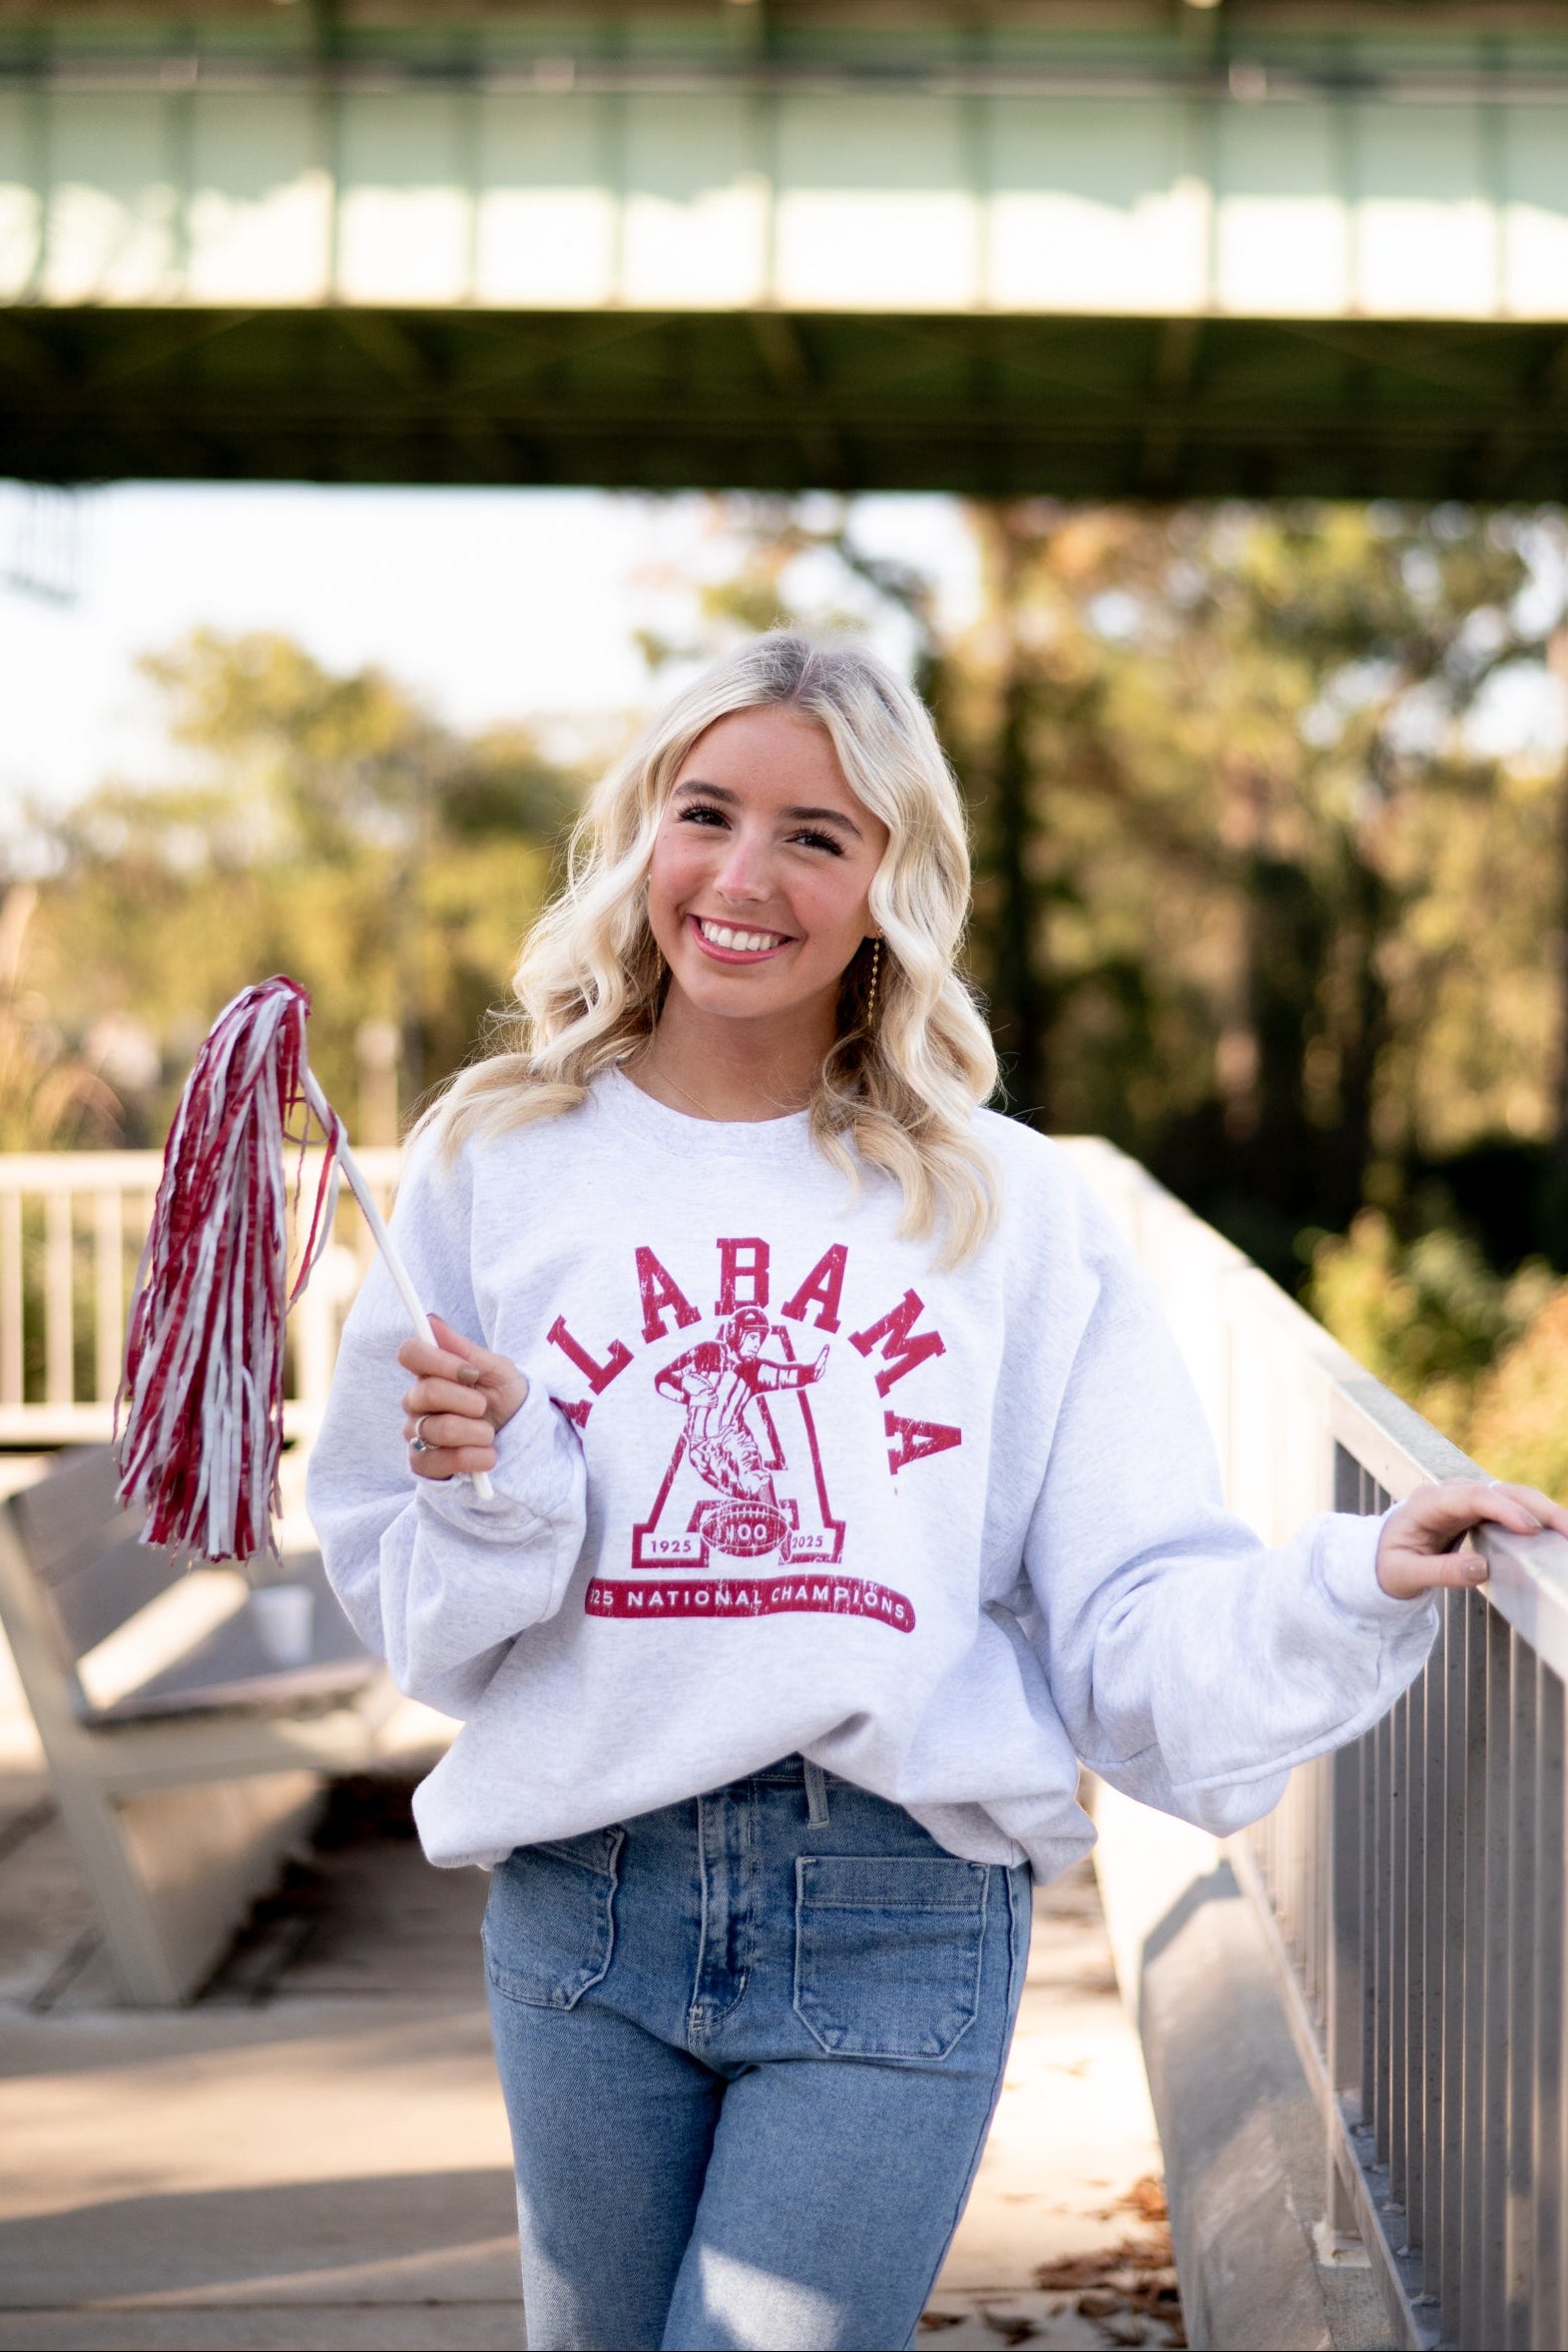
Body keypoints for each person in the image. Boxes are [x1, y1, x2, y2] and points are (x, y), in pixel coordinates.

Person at [306, 631, 1566, 2352]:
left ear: (894, 878)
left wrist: (1350, 1579)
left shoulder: (1004, 1206)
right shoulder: (494, 1164)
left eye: (817, 835)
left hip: (893, 1908)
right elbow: (421, 1624)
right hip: (580, 1905)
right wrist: (499, 1494)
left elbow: (1124, 1607)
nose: (743, 877)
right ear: (638, 834)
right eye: (705, 812)